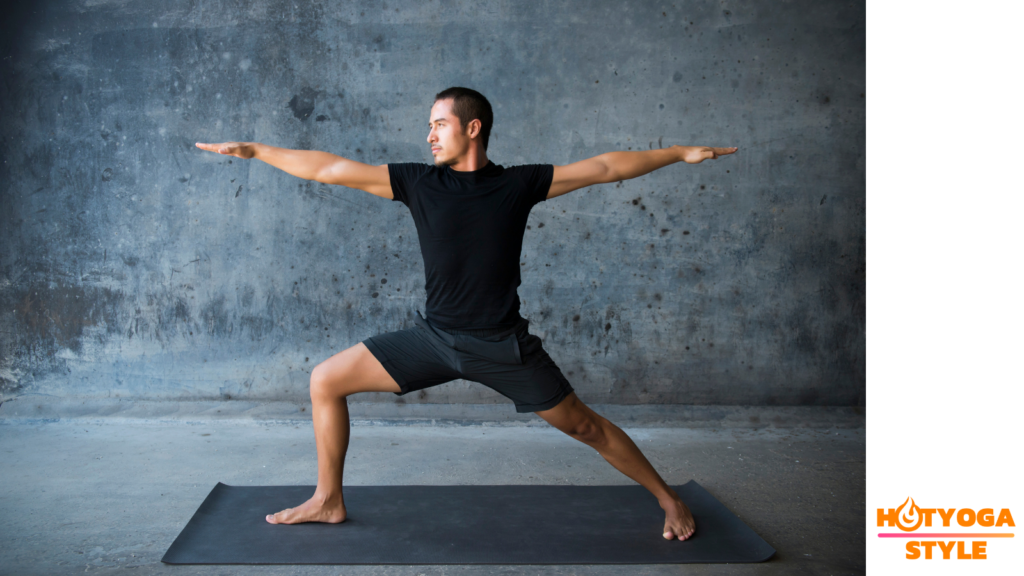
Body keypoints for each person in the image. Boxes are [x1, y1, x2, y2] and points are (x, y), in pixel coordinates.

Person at [196, 86, 736, 542]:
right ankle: (327, 499)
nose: (429, 135)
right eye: (428, 126)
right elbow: (331, 169)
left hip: (501, 345)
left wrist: (680, 152)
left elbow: (606, 168)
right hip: (433, 339)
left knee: (587, 427)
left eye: (438, 124)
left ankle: (667, 499)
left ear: (472, 128)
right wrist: (259, 150)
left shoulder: (517, 185)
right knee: (325, 380)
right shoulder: (417, 182)